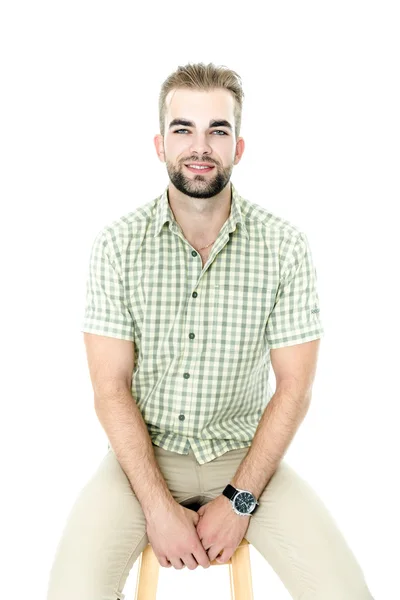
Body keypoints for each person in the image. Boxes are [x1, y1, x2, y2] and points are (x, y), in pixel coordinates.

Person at [47, 62, 374, 600]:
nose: (200, 146)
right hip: (140, 459)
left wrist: (240, 499)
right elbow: (110, 389)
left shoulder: (283, 247)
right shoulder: (117, 246)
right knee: (71, 590)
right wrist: (156, 506)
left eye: (217, 130)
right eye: (184, 130)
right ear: (160, 144)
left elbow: (294, 390)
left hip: (244, 457)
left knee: (345, 591)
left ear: (238, 146)